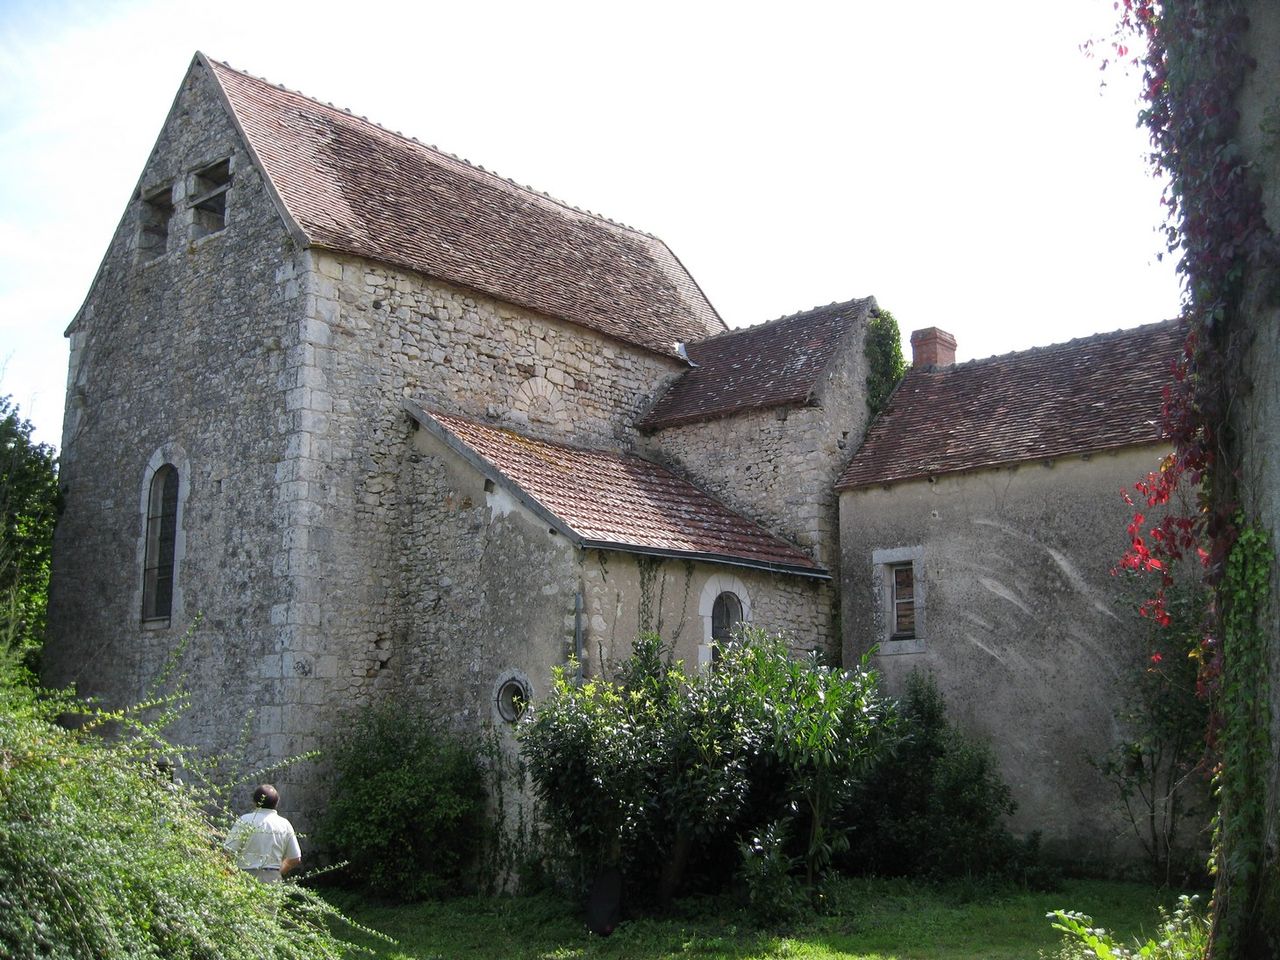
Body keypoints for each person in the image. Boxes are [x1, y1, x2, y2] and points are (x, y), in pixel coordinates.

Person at [224, 783, 302, 883]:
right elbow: (295, 858)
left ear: (255, 802)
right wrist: (278, 871)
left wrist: (232, 875)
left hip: (244, 878)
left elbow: (227, 852)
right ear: (276, 803)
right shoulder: (284, 824)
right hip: (272, 878)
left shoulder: (244, 820)